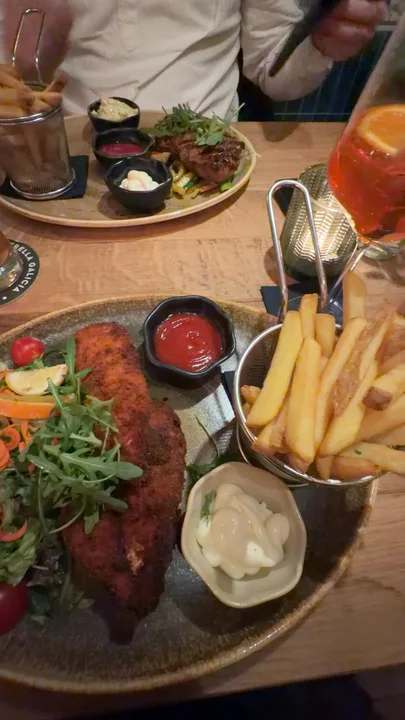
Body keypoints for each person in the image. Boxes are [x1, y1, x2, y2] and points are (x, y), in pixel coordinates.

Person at [0, 0, 387, 117]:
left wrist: (321, 43)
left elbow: (275, 72)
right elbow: (11, 84)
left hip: (210, 159)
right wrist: (22, 56)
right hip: (60, 156)